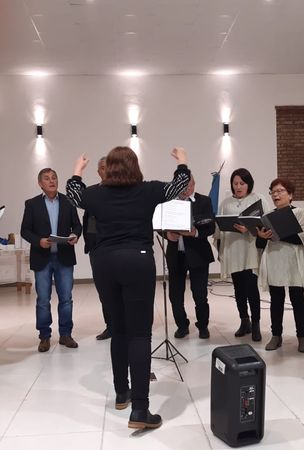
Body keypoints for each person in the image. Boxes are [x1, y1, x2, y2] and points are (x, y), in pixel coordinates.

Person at [66, 146, 190, 430]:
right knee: (139, 334)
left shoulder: (96, 194)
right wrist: (182, 162)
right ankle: (140, 410)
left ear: (108, 169)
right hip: (138, 260)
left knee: (118, 329)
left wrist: (78, 169)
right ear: (135, 167)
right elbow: (179, 185)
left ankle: (122, 392)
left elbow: (73, 192)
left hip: (104, 263)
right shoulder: (148, 191)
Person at [21, 168, 82, 352]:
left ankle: (66, 335)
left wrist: (74, 235)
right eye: (47, 179)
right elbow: (25, 230)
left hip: (64, 256)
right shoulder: (32, 204)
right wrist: (38, 241)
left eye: (54, 178)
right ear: (40, 184)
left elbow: (77, 225)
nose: (51, 181)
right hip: (42, 258)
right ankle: (44, 337)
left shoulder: (68, 201)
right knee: (43, 300)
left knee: (66, 298)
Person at [257, 178, 304, 353]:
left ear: (290, 195)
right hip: (275, 259)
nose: (276, 195)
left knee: (297, 299)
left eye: (280, 191)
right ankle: (276, 335)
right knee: (276, 299)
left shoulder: (299, 213)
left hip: (294, 260)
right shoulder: (267, 216)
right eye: (273, 192)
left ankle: (302, 336)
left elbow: (302, 238)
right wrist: (261, 237)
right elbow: (260, 244)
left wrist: (277, 233)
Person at [215, 168, 270, 341]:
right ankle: (244, 321)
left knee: (251, 288)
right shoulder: (225, 203)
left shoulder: (258, 199)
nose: (238, 187)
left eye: (242, 183)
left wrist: (250, 228)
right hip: (233, 250)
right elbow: (219, 229)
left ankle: (256, 324)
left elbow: (267, 223)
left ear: (249, 184)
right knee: (238, 288)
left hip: (250, 250)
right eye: (235, 183)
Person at [165, 176, 215, 339]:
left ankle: (203, 325)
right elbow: (159, 224)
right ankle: (182, 325)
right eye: (183, 186)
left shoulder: (204, 201)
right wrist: (167, 235)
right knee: (175, 295)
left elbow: (211, 227)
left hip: (198, 254)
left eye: (189, 185)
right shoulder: (169, 201)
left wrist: (196, 232)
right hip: (176, 254)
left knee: (200, 294)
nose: (186, 189)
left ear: (194, 185)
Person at [82, 157, 111, 340]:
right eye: (102, 168)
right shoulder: (91, 193)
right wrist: (90, 244)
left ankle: (126, 325)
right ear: (98, 171)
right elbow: (88, 221)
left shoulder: (123, 191)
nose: (105, 170)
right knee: (104, 291)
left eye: (109, 167)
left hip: (117, 248)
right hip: (97, 249)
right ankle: (111, 325)